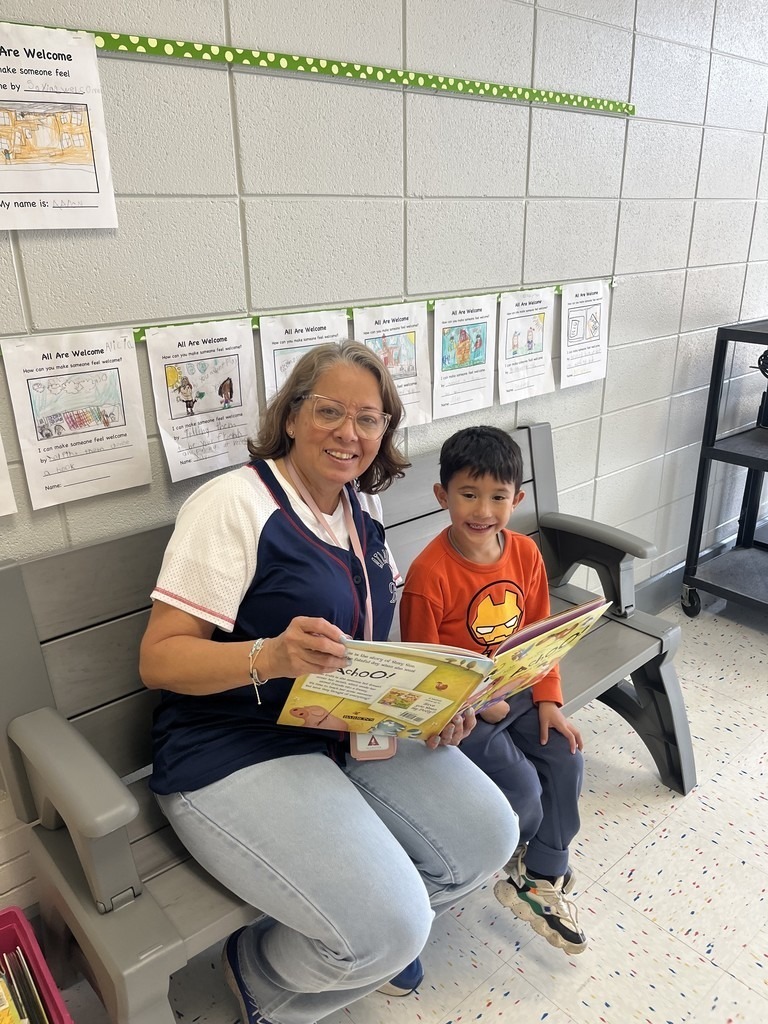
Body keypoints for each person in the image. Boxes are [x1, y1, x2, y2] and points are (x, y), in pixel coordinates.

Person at [139, 343, 519, 1024]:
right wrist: (269, 656)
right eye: (330, 411)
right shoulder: (234, 504)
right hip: (234, 745)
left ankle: (354, 938)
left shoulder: (361, 516)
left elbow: (374, 651)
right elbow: (161, 660)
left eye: (369, 419)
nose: (350, 433)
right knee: (393, 929)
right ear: (291, 416)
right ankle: (261, 979)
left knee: (486, 839)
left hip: (344, 728)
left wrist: (434, 707)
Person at [399, 425, 587, 955]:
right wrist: (478, 705)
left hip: (522, 693)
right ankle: (517, 850)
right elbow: (427, 672)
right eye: (468, 494)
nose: (483, 509)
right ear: (443, 496)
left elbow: (542, 637)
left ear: (517, 498)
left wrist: (549, 699)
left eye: (498, 497)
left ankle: (542, 875)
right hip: (464, 713)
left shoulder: (525, 555)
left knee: (567, 755)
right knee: (524, 790)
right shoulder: (428, 575)